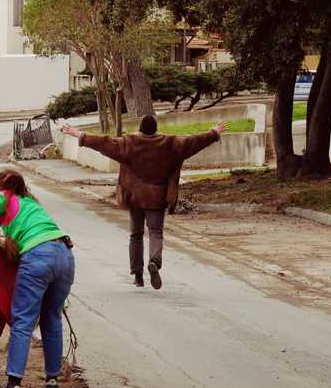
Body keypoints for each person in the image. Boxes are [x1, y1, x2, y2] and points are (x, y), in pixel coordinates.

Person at [61, 115, 226, 289]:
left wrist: (78, 134)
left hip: (135, 196)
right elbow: (194, 141)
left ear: (140, 128)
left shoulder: (129, 143)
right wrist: (214, 132)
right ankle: (154, 261)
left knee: (136, 235)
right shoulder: (171, 143)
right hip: (157, 197)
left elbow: (104, 142)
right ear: (155, 129)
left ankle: (138, 274)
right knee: (155, 232)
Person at [0, 169, 74, 388]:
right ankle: (52, 379)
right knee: (52, 317)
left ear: (1, 186)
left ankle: (13, 386)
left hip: (38, 256)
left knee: (23, 320)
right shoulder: (31, 203)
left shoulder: (5, 197)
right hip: (65, 255)